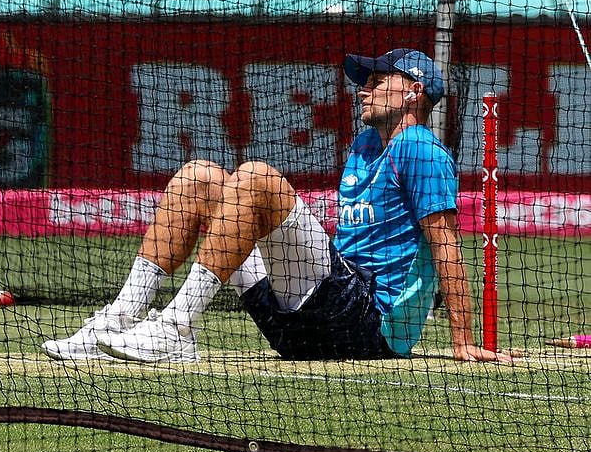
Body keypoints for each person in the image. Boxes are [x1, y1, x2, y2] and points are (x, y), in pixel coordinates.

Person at [42, 48, 514, 364]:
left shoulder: (421, 149)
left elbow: (445, 245)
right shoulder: (367, 144)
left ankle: (177, 326)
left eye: (377, 80)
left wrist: (462, 339)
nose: (363, 89)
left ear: (413, 90)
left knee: (256, 177)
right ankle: (118, 318)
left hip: (368, 324)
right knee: (197, 178)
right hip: (307, 321)